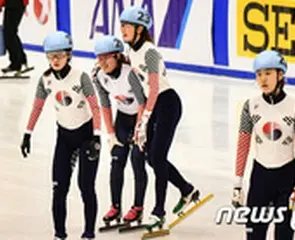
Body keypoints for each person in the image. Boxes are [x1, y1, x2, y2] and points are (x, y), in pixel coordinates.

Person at [119, 6, 200, 229]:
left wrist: (144, 120)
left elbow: (154, 89)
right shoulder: (132, 51)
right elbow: (141, 84)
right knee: (153, 159)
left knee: (157, 156)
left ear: (139, 29)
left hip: (167, 103)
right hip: (153, 106)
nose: (122, 29)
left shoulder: (150, 51)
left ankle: (159, 211)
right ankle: (186, 189)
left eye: (127, 26)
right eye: (122, 25)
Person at [20, 31, 101, 240]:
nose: (55, 60)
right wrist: (28, 133)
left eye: (60, 55)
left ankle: (89, 233)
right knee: (59, 188)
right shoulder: (45, 79)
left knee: (85, 186)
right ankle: (59, 234)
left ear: (69, 55)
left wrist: (97, 137)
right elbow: (37, 107)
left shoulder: (81, 77)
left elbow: (96, 107)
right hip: (64, 137)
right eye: (50, 56)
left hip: (86, 136)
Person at [232, 50, 295, 240]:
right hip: (260, 176)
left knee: (284, 234)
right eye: (259, 74)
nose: (263, 79)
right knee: (254, 234)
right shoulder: (250, 106)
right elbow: (243, 145)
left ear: (280, 74)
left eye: (268, 73)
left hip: (286, 177)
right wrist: (238, 184)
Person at [92, 35, 148, 224]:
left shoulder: (130, 73)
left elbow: (142, 103)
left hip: (141, 117)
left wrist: (140, 129)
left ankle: (138, 207)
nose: (102, 62)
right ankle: (115, 206)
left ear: (117, 56)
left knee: (137, 162)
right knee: (117, 162)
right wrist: (111, 134)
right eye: (99, 58)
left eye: (106, 57)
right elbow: (105, 105)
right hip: (122, 119)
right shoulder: (98, 76)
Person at [1, 0, 30, 74]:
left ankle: (16, 64)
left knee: (9, 35)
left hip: (14, 4)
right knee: (11, 34)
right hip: (16, 4)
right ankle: (22, 60)